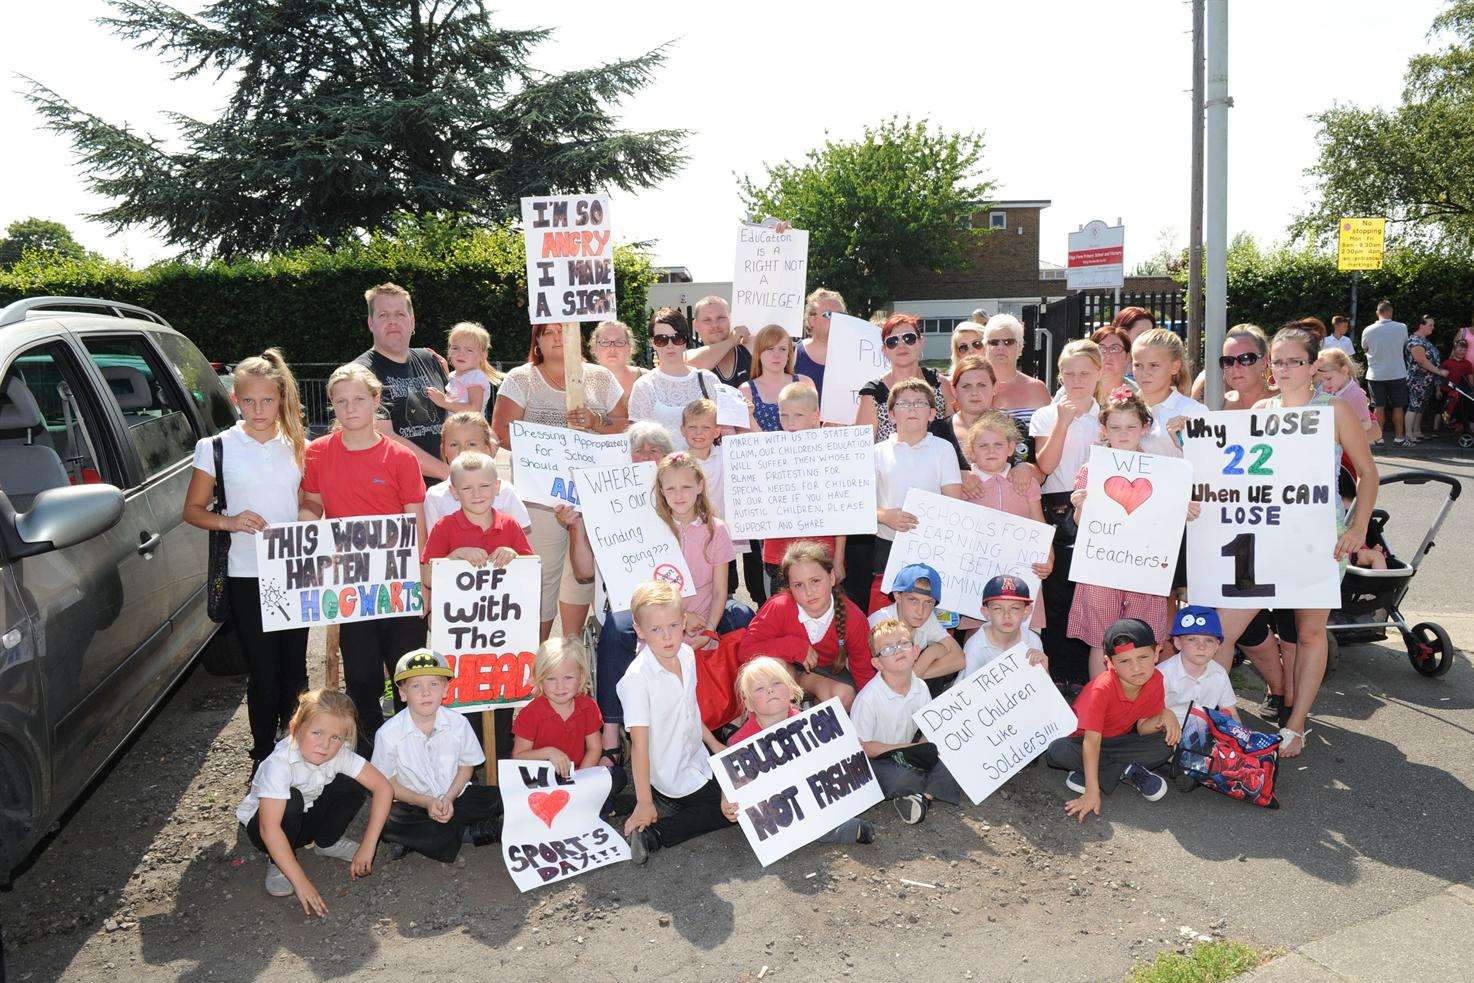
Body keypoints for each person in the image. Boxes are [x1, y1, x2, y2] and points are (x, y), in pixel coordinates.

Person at [1214, 326, 1379, 757]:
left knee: (1309, 633)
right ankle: (1217, 717)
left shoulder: (1335, 411)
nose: (1285, 369)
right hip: (1264, 535)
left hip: (1319, 538)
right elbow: (1239, 472)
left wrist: (1359, 527)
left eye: (1295, 361)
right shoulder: (1261, 408)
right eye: (1279, 361)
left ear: (1313, 367)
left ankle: (1296, 724)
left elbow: (1368, 473)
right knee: (1224, 628)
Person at [183, 350, 311, 773]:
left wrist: (309, 516)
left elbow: (310, 498)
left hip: (295, 570)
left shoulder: (298, 444)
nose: (259, 410)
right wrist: (231, 521)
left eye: (268, 401)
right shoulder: (216, 447)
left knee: (295, 669)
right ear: (236, 399)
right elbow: (193, 510)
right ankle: (261, 753)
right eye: (249, 401)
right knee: (263, 670)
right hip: (246, 573)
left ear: (281, 399)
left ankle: (295, 747)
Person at [300, 363, 427, 749]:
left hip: (400, 581)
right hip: (352, 585)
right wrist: (301, 530)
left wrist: (424, 580)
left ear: (376, 400)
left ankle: (414, 746)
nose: (350, 408)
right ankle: (370, 748)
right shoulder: (318, 454)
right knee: (362, 673)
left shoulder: (401, 457)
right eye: (341, 401)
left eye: (358, 399)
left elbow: (415, 521)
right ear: (332, 406)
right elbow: (312, 504)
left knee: (408, 669)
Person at [595, 452, 752, 759]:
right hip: (663, 612)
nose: (679, 495)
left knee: (744, 617)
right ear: (661, 492)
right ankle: (612, 725)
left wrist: (707, 627)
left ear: (699, 487)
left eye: (686, 487)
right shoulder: (651, 527)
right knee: (616, 628)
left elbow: (722, 589)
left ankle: (739, 710)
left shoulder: (716, 529)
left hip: (705, 612)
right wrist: (681, 618)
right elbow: (645, 587)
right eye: (670, 489)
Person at [493, 321, 627, 638]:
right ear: (536, 341)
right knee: (540, 575)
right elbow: (500, 431)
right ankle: (535, 656)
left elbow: (625, 424)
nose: (556, 337)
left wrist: (596, 421)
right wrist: (551, 447)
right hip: (539, 499)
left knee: (581, 576)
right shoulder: (521, 379)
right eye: (548, 332)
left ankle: (570, 651)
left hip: (590, 497)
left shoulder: (600, 377)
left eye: (562, 331)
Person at [1068, 386, 1200, 677]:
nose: (1123, 434)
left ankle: (1137, 710)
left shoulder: (1165, 471)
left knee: (1142, 639)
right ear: (1104, 430)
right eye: (1115, 427)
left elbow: (1167, 519)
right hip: (1101, 568)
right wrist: (1080, 506)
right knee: (1102, 640)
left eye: (1131, 426)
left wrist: (1185, 510)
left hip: (1145, 569)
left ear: (1145, 427)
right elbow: (1081, 524)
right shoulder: (1093, 470)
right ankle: (1100, 703)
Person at [236, 689, 393, 913]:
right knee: (292, 801)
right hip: (269, 829)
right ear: (295, 729)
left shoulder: (338, 753)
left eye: (335, 737)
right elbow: (268, 828)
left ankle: (327, 842)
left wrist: (369, 845)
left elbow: (383, 788)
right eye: (316, 733)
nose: (325, 745)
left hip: (307, 817)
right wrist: (302, 884)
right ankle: (277, 862)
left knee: (355, 780)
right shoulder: (280, 764)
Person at [618, 581, 735, 865]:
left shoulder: (686, 654)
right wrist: (643, 801)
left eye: (672, 625)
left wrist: (715, 743)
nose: (667, 636)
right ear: (640, 629)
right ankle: (655, 835)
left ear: (684, 621)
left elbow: (690, 708)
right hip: (669, 776)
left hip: (698, 759)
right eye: (656, 629)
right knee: (733, 808)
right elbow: (639, 746)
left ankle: (681, 805)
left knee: (746, 783)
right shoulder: (637, 680)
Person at [718, 657, 876, 845]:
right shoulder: (739, 743)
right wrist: (726, 802)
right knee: (788, 826)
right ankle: (840, 830)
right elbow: (731, 781)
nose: (770, 690)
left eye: (776, 683)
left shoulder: (811, 724)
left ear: (792, 691)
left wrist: (848, 748)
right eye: (760, 689)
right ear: (749, 704)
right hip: (782, 808)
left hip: (813, 793)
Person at [1043, 618, 1179, 822]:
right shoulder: (1102, 689)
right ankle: (1124, 771)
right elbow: (1091, 742)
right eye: (1124, 661)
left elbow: (1142, 728)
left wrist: (1164, 715)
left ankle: (1099, 772)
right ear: (1109, 663)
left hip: (1116, 742)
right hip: (1081, 742)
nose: (1136, 668)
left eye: (1143, 657)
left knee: (1165, 744)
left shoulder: (1156, 679)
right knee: (1056, 751)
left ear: (1157, 652)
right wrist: (1091, 792)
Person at [373, 650, 502, 863]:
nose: (426, 692)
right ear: (402, 693)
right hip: (412, 802)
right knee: (388, 821)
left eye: (434, 684)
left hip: (454, 796)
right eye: (416, 686)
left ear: (445, 689)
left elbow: (466, 767)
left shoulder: (458, 723)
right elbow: (388, 783)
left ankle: (420, 839)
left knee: (496, 798)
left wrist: (449, 798)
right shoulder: (388, 734)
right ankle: (469, 833)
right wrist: (426, 802)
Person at [854, 377, 964, 612]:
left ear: (932, 413)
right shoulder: (876, 453)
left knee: (930, 615)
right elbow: (860, 504)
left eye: (920, 403)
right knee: (884, 619)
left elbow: (954, 502)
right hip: (887, 547)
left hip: (933, 547)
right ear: (891, 415)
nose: (912, 408)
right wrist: (885, 516)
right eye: (904, 404)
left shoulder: (944, 450)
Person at [1029, 340, 1103, 684]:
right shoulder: (1046, 414)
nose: (1076, 380)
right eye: (1069, 374)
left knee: (1088, 590)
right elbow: (1044, 464)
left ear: (1099, 374)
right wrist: (1062, 421)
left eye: (1085, 373)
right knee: (1058, 590)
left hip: (1098, 505)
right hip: (1058, 505)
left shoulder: (1106, 417)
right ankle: (1058, 670)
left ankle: (1082, 671)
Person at [850, 618, 963, 825]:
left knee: (954, 755)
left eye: (903, 643)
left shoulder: (920, 687)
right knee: (899, 778)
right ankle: (923, 791)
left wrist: (923, 751)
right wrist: (910, 749)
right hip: (879, 758)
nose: (897, 650)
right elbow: (864, 748)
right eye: (887, 649)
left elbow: (927, 729)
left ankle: (921, 798)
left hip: (908, 753)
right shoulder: (869, 698)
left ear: (916, 651)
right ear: (877, 663)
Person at [740, 541, 872, 710]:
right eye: (798, 585)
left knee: (845, 696)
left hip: (823, 676)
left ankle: (814, 709)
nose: (809, 592)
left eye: (815, 581)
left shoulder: (853, 617)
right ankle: (779, 718)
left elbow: (864, 672)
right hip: (785, 672)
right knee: (769, 666)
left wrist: (869, 717)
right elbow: (745, 650)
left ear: (832, 577)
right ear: (789, 586)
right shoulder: (779, 607)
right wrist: (792, 646)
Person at [960, 412, 1052, 633]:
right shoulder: (962, 486)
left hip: (1023, 578)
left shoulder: (1025, 482)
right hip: (977, 581)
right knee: (978, 641)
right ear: (971, 452)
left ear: (1011, 448)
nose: (991, 451)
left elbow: (1040, 525)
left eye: (998, 445)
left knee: (1027, 646)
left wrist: (1049, 558)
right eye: (983, 446)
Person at [512, 638, 625, 810]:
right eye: (551, 679)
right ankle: (603, 807)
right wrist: (549, 752)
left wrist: (580, 779)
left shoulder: (587, 706)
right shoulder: (530, 714)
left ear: (581, 677)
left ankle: (590, 805)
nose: (560, 686)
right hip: (542, 781)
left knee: (617, 776)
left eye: (568, 678)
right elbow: (518, 757)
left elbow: (594, 748)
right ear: (539, 679)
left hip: (578, 773)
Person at [355, 283, 451, 482]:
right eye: (383, 315)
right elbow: (384, 436)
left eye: (400, 314)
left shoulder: (430, 360)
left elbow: (452, 417)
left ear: (412, 321)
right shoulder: (361, 373)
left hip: (447, 492)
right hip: (400, 494)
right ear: (371, 323)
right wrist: (447, 474)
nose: (392, 322)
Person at [682, 398, 765, 609]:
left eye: (705, 427)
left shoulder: (724, 454)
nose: (698, 432)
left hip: (723, 534)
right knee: (698, 587)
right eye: (692, 427)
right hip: (691, 539)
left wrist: (748, 417)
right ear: (682, 430)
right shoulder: (678, 462)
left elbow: (759, 447)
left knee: (726, 588)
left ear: (717, 431)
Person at [760, 381, 845, 588]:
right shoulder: (767, 452)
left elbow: (843, 510)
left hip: (821, 553)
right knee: (782, 613)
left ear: (815, 416)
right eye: (784, 415)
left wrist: (839, 559)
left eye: (798, 415)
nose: (790, 423)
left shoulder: (831, 455)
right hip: (778, 553)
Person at [419, 449, 533, 597]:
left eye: (484, 486)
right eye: (467, 488)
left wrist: (514, 556)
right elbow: (427, 579)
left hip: (503, 614)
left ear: (497, 487)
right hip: (457, 616)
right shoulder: (443, 527)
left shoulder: (510, 525)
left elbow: (532, 571)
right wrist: (455, 556)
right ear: (454, 491)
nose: (477, 494)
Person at [628, 308, 723, 451]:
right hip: (662, 471)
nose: (670, 345)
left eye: (677, 338)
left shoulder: (709, 380)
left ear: (685, 341)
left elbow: (725, 430)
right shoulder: (644, 386)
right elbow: (637, 442)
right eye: (661, 339)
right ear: (652, 342)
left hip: (708, 469)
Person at [422, 411, 532, 531]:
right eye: (454, 444)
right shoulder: (434, 497)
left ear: (486, 448)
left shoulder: (505, 492)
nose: (463, 450)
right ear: (444, 451)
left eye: (472, 444)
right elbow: (434, 545)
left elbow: (521, 539)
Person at [856, 314, 956, 444]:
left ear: (920, 342)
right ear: (884, 350)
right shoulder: (873, 394)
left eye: (909, 338)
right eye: (892, 342)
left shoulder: (940, 384)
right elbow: (863, 447)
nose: (901, 345)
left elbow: (954, 432)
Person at [866, 563, 964, 686]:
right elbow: (894, 683)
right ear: (898, 596)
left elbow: (960, 659)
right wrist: (932, 653)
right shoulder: (882, 625)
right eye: (913, 600)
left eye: (928, 602)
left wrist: (926, 661)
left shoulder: (927, 618)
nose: (920, 611)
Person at [1131, 328, 1207, 459]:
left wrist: (1182, 443)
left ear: (1175, 367)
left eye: (1154, 365)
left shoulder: (1193, 411)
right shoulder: (1124, 407)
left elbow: (1208, 464)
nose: (1145, 372)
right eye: (1138, 365)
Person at [1160, 607, 1238, 725]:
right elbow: (1151, 716)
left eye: (1209, 640)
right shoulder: (1163, 674)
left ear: (1217, 646)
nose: (1201, 646)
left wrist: (1239, 737)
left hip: (1203, 732)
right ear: (1178, 643)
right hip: (1166, 731)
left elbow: (1230, 711)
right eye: (1192, 639)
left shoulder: (1219, 673)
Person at [960, 575, 1048, 680]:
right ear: (986, 612)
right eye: (998, 608)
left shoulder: (1033, 641)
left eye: (1014, 608)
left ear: (1027, 611)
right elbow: (970, 691)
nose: (1007, 615)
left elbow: (1042, 688)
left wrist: (1044, 670)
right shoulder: (975, 646)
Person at [986, 314, 1052, 436]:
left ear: (1020, 348)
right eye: (994, 342)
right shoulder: (975, 387)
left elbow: (1049, 437)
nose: (1001, 347)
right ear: (986, 347)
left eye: (1008, 342)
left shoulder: (1037, 389)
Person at [745, 324, 815, 432]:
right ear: (758, 353)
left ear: (788, 353)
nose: (776, 355)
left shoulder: (805, 382)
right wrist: (749, 417)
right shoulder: (746, 390)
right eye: (770, 349)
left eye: (782, 349)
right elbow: (743, 440)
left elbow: (815, 426)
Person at [1361, 300, 1410, 445]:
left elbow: (1365, 348)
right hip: (1397, 373)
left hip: (1376, 374)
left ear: (1378, 313)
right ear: (1390, 312)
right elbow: (1405, 345)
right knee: (1398, 406)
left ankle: (1378, 438)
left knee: (1378, 406)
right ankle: (1399, 437)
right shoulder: (1402, 327)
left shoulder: (1368, 330)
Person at [426, 321, 499, 416]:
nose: (461, 354)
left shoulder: (475, 377)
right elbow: (456, 388)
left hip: (471, 430)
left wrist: (443, 402)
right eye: (456, 348)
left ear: (482, 355)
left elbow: (474, 410)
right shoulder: (453, 375)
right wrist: (443, 367)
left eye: (469, 350)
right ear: (449, 351)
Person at [686, 296, 753, 388]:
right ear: (696, 325)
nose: (715, 325)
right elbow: (691, 366)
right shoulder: (691, 357)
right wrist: (731, 341)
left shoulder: (748, 348)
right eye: (707, 320)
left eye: (721, 318)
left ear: (730, 319)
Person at [1315, 349, 1379, 441]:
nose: (1324, 384)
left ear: (1344, 370)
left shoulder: (1354, 394)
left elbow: (1367, 423)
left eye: (1328, 379)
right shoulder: (1335, 386)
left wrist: (1342, 432)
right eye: (1322, 380)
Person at [794, 288, 846, 399]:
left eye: (840, 315)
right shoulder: (793, 354)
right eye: (828, 314)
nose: (836, 319)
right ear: (811, 319)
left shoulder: (854, 354)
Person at [589, 319, 648, 417]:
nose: (612, 348)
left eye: (619, 342)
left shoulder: (647, 379)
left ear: (630, 348)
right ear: (594, 348)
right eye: (605, 342)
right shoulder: (583, 383)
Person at [1405, 314, 1449, 444]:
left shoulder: (1424, 341)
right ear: (1421, 326)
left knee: (1421, 407)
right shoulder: (1415, 342)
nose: (1433, 327)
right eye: (1430, 325)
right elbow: (1422, 362)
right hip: (1417, 380)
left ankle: (1416, 431)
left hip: (1427, 381)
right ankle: (1409, 435)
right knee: (1413, 406)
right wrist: (1440, 372)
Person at [1090, 325, 1135, 401]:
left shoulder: (1138, 395)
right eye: (1101, 348)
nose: (1107, 355)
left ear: (1127, 357)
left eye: (1115, 348)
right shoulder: (1076, 388)